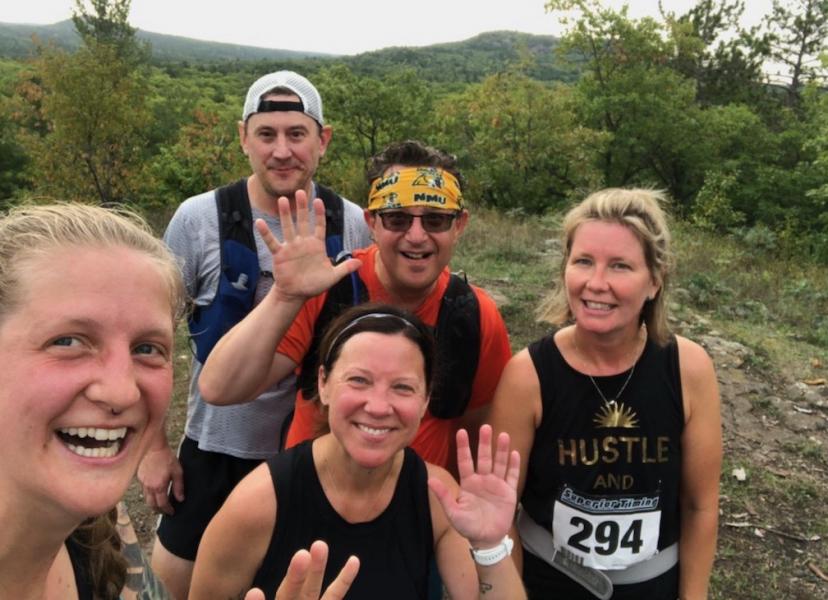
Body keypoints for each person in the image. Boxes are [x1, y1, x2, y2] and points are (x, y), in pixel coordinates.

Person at [0, 202, 360, 600]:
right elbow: (220, 386)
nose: (122, 390)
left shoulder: (97, 532)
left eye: (147, 348)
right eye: (67, 342)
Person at [137, 70, 371, 599]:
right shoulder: (199, 220)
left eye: (297, 133)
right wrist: (151, 449)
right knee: (179, 587)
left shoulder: (350, 223)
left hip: (314, 454)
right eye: (266, 134)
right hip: (216, 445)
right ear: (243, 137)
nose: (282, 150)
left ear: (323, 140)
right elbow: (151, 341)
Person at [199, 139, 512, 473]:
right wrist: (285, 296)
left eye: (435, 220)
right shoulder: (329, 290)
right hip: (313, 503)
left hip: (419, 512)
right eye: (397, 219)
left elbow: (481, 434)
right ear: (371, 223)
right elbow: (220, 388)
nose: (417, 235)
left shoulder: (475, 315)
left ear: (459, 225)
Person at [190, 303, 526, 599]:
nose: (379, 406)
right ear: (323, 384)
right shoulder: (258, 505)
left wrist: (490, 548)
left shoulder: (436, 497)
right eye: (359, 380)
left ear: (425, 401)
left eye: (402, 387)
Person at [487, 189, 722, 599]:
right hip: (548, 581)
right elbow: (500, 512)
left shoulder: (688, 369)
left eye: (620, 266)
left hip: (654, 585)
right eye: (583, 262)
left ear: (654, 281)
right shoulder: (528, 376)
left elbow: (700, 506)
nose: (597, 284)